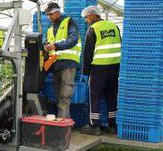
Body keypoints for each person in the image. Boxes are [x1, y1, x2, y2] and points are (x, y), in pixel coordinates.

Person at [80, 5, 121, 136]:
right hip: (115, 68)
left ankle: (94, 125)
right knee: (111, 96)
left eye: (86, 17)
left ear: (93, 15)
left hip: (98, 69)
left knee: (95, 96)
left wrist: (85, 73)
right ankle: (112, 125)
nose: (86, 20)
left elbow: (88, 54)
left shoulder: (93, 29)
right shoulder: (114, 27)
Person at [44, 2, 81, 118]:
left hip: (68, 63)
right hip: (56, 65)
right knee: (59, 96)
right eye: (48, 15)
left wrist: (55, 45)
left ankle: (62, 123)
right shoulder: (50, 29)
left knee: (64, 96)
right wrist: (46, 45)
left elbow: (73, 39)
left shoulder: (69, 22)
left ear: (57, 12)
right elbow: (47, 42)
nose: (49, 17)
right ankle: (65, 123)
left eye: (50, 15)